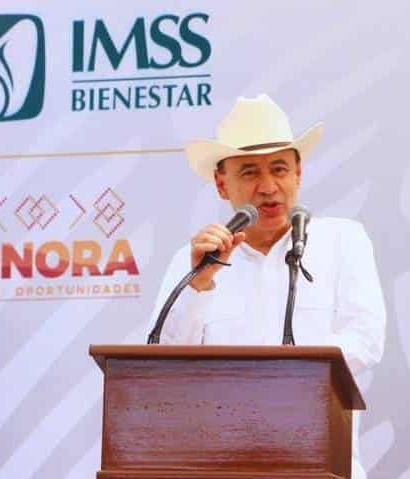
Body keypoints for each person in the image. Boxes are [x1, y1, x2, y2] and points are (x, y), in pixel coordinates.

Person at [150, 94, 387, 479]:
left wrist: (282, 379)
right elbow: (162, 365)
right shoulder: (192, 259)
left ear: (298, 174)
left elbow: (365, 338)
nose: (268, 186)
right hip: (219, 466)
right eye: (249, 173)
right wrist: (200, 284)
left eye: (279, 169)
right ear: (221, 184)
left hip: (320, 464)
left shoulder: (343, 241)